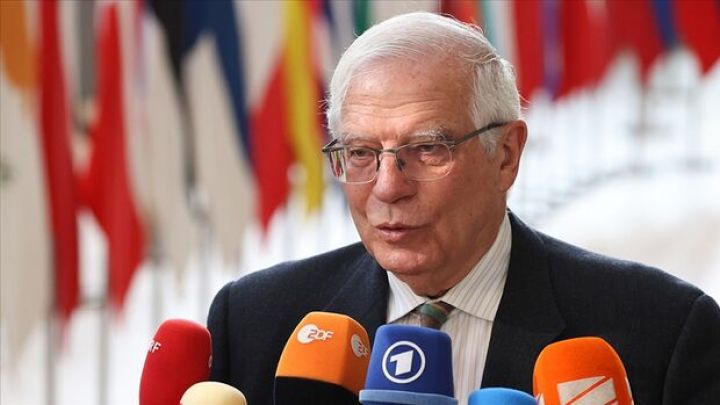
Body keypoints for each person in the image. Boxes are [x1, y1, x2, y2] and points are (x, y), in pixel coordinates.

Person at [207, 12, 720, 404]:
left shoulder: (663, 331)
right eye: (361, 153)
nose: (388, 187)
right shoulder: (255, 320)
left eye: (428, 149)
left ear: (506, 155)